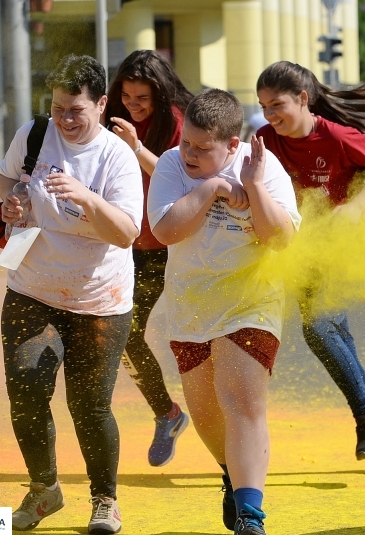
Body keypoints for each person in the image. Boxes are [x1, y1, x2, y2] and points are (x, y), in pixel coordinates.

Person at [0, 54, 143, 534]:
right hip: (32, 286)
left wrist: (86, 196)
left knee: (89, 404)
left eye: (76, 110)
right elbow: (8, 179)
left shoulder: (116, 157)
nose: (65, 119)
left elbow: (125, 233)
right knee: (25, 388)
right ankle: (45, 490)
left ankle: (105, 500)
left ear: (101, 104)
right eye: (59, 107)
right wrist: (12, 202)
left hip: (98, 298)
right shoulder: (35, 133)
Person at [148, 89, 301, 535]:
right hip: (191, 304)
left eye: (203, 148)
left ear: (232, 145)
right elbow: (164, 230)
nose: (190, 153)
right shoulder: (173, 166)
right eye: (186, 143)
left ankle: (250, 516)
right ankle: (232, 474)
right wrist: (213, 186)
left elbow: (281, 239)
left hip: (252, 301)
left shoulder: (263, 167)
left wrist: (251, 186)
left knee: (240, 399)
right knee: (207, 415)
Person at [255, 61, 365, 475]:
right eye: (264, 107)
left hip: (340, 247)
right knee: (335, 334)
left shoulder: (337, 135)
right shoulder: (264, 139)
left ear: (303, 99)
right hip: (298, 251)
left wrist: (357, 208)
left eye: (278, 105)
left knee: (318, 329)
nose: (271, 115)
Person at [105, 49, 194, 467]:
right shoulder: (111, 121)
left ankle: (229, 428)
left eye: (142, 99)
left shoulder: (176, 121)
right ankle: (168, 414)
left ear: (160, 94)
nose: (134, 106)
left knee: (199, 335)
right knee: (119, 334)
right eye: (127, 97)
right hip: (120, 246)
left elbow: (177, 179)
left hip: (168, 249)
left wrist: (136, 147)